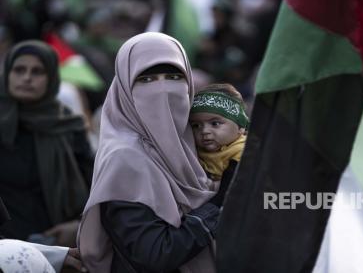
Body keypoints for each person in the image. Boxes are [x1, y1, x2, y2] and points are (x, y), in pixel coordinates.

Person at [78, 32, 230, 273]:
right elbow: (154, 253)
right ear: (125, 88)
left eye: (173, 76)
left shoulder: (197, 147)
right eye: (146, 79)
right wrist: (217, 204)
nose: (162, 89)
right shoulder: (124, 159)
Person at [0, 40, 93, 247]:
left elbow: (94, 184)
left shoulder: (69, 125)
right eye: (19, 69)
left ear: (51, 78)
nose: (27, 78)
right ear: (7, 73)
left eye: (37, 71)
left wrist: (80, 225)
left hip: (56, 244)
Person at [189, 83, 248, 181]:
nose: (204, 131)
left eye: (215, 123)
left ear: (241, 127)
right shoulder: (193, 154)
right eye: (196, 125)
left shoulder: (245, 154)